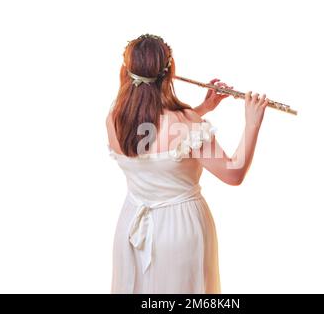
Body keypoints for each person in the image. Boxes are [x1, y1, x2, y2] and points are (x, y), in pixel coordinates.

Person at [106, 33, 269, 293]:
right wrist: (251, 124)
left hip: (132, 227)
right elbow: (233, 173)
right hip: (179, 230)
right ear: (169, 73)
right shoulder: (185, 123)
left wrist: (202, 109)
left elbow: (156, 138)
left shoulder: (116, 117)